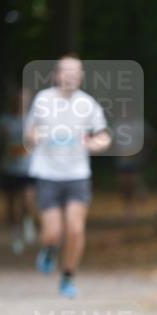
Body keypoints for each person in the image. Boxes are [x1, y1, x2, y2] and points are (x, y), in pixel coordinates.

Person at [24, 55, 111, 298]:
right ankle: (50, 248)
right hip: (47, 173)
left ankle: (68, 276)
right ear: (57, 75)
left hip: (77, 174)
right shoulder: (43, 100)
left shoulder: (88, 103)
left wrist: (94, 143)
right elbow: (29, 132)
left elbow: (104, 135)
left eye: (76, 72)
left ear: (81, 76)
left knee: (75, 229)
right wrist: (35, 136)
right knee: (53, 231)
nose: (71, 76)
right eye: (67, 71)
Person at [0, 86, 36, 254]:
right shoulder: (4, 121)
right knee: (11, 205)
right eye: (18, 99)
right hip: (9, 168)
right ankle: (16, 233)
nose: (20, 102)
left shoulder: (35, 120)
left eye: (23, 99)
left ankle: (27, 221)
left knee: (27, 201)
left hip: (29, 168)